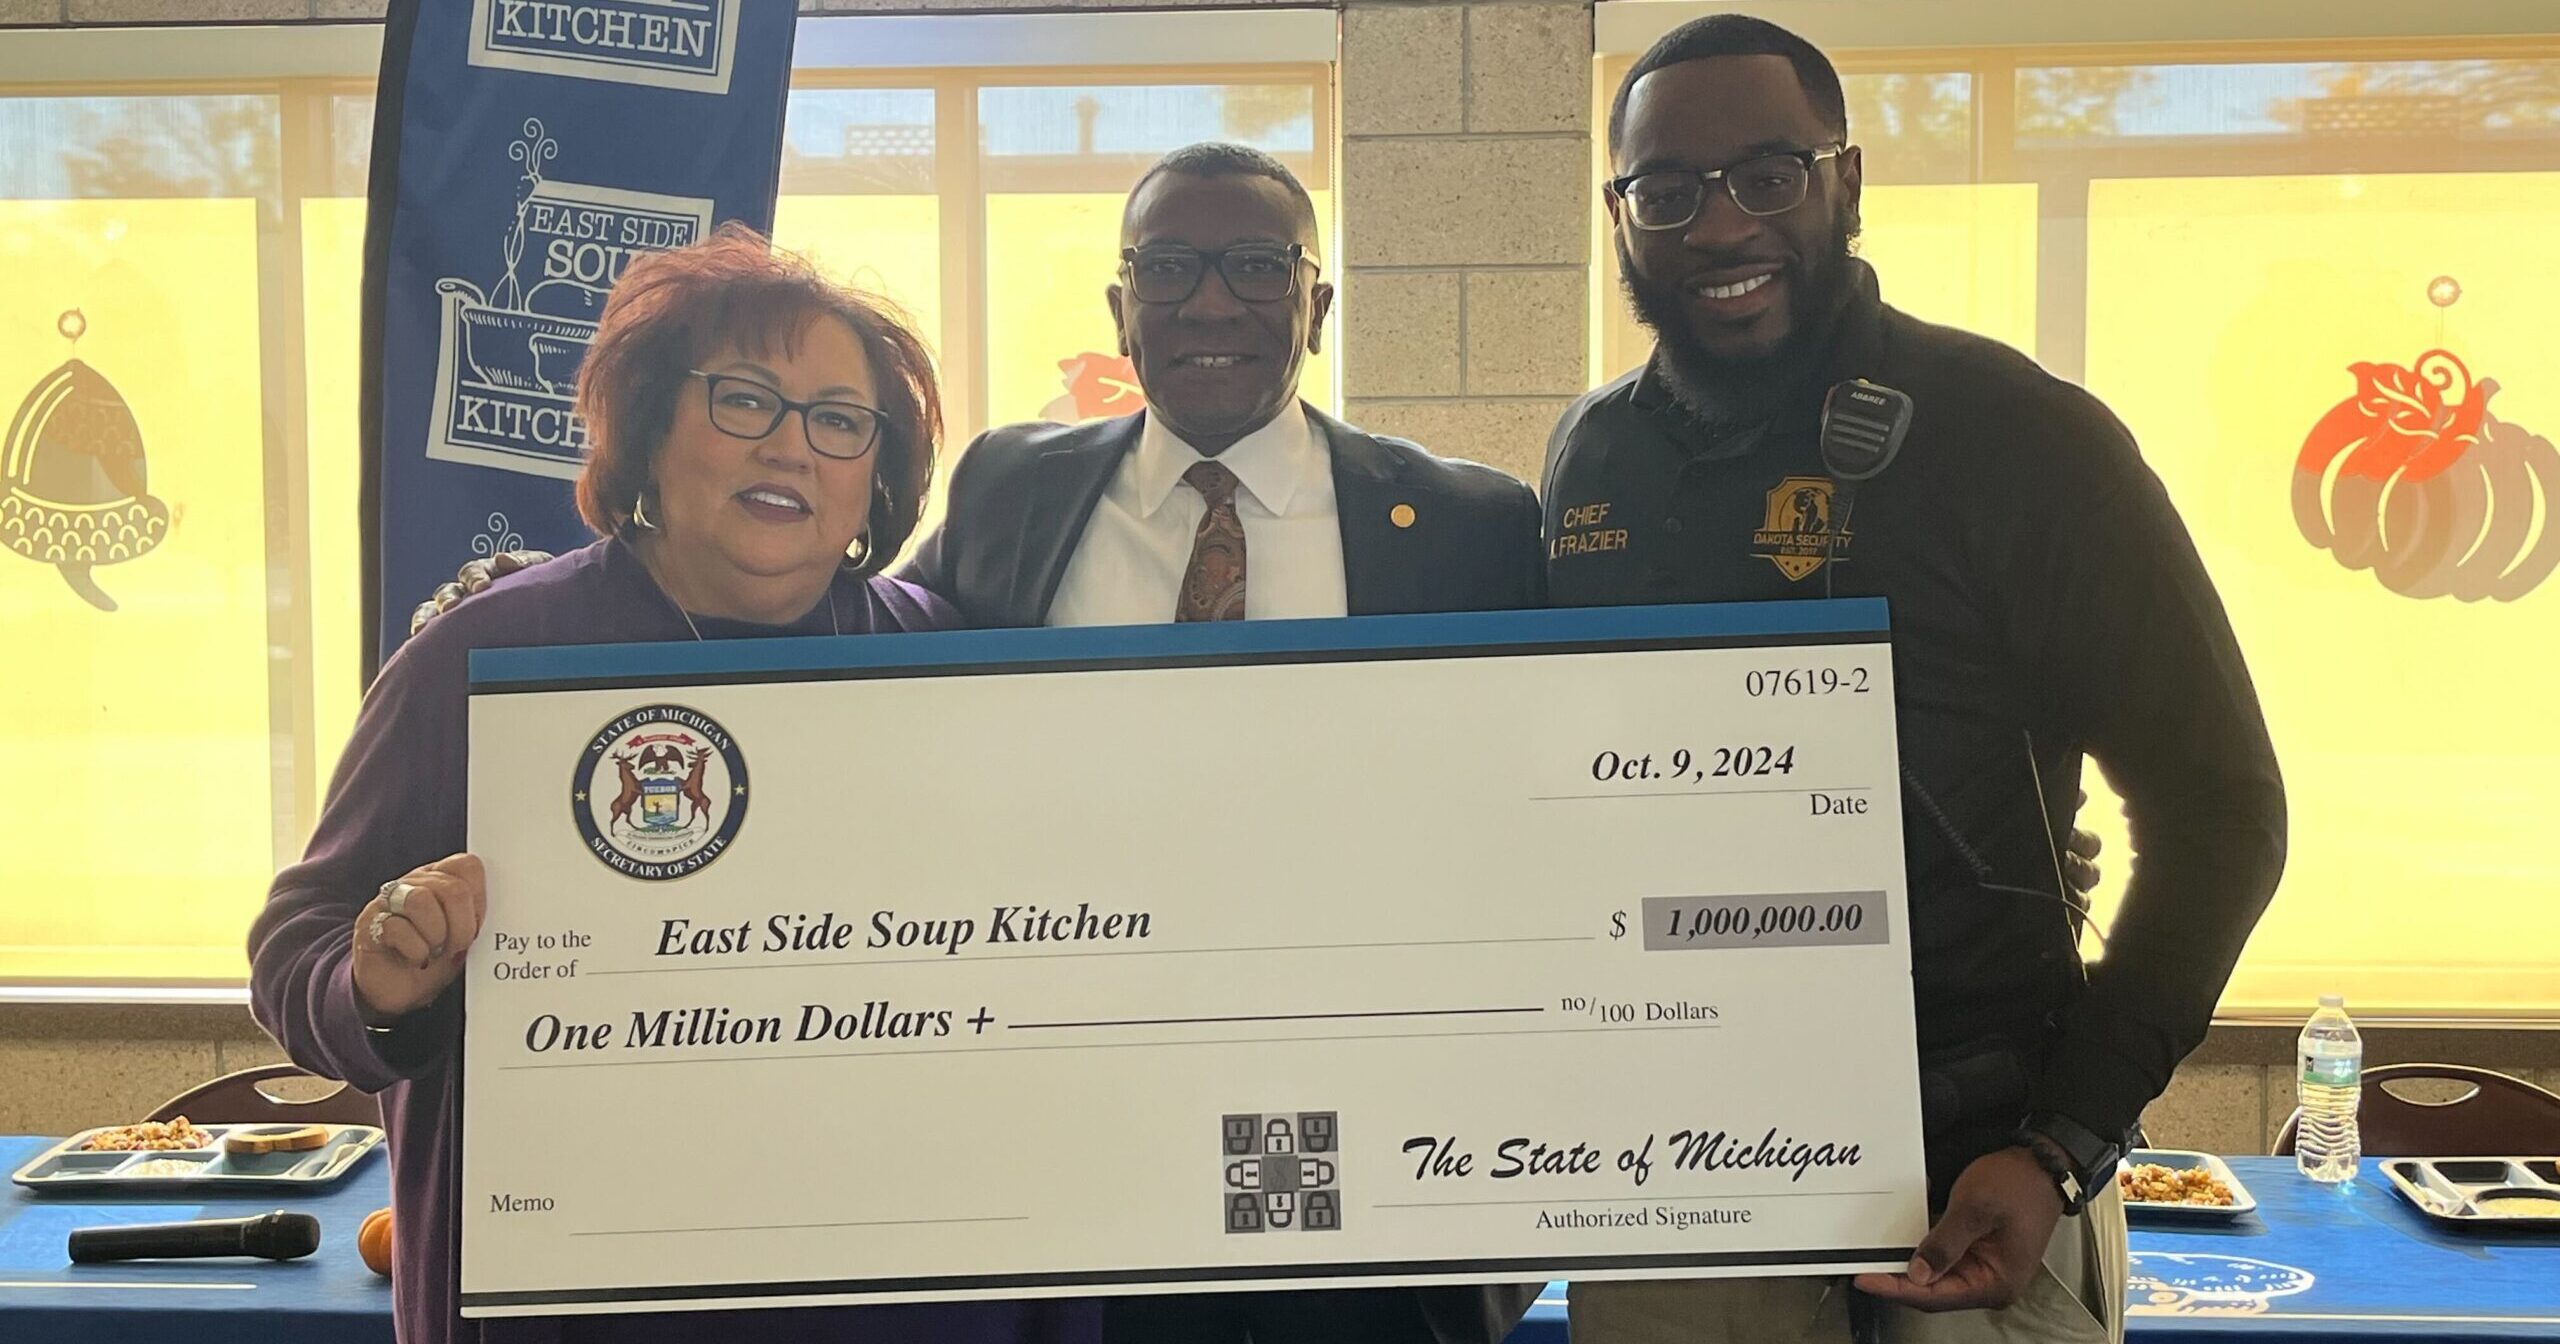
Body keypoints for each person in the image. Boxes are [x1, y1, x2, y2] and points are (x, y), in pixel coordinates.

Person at [1545, 16, 2286, 1344]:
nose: (1718, 225)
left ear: (1848, 181)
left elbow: (2224, 814)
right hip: (1678, 1183)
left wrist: (2062, 1143)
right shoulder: (1592, 460)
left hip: (1980, 1184)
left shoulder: (2022, 436)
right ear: (1623, 216)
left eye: (1767, 173)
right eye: (1667, 190)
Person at [250, 226, 1097, 1344]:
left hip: (907, 1296)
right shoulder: (488, 654)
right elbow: (298, 947)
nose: (793, 448)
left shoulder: (939, 658)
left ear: (878, 475)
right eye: (745, 401)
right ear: (646, 429)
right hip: (582, 1302)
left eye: (841, 421)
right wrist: (380, 979)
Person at [897, 140, 1543, 1344]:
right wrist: (595, 591)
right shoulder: (1004, 491)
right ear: (1119, 309)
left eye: (1255, 266)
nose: (1209, 302)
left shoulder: (1469, 527)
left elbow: (1549, 800)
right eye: (1170, 268)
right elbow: (858, 675)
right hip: (1084, 1136)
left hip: (1376, 1152)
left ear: (1316, 306)